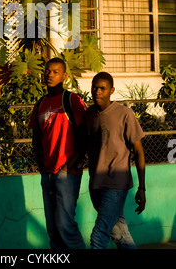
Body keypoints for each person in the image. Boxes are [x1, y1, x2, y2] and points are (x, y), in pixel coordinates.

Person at [28, 57, 87, 250]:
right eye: (47, 71)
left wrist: (67, 166)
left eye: (54, 71)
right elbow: (36, 138)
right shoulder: (40, 103)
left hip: (67, 174)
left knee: (65, 226)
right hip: (48, 173)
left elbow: (84, 137)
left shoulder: (72, 100)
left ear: (64, 75)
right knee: (53, 231)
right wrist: (42, 169)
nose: (49, 75)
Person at [86, 71, 146, 249]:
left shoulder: (125, 114)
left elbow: (139, 153)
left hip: (116, 185)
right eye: (94, 88)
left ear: (112, 91)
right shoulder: (89, 114)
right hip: (95, 184)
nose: (97, 92)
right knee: (120, 235)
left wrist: (142, 188)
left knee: (98, 236)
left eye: (102, 89)